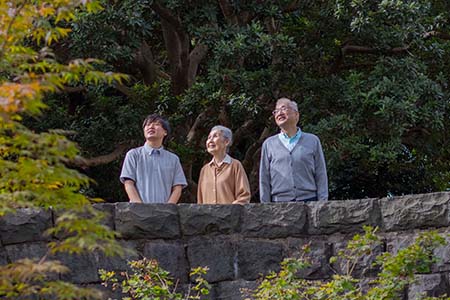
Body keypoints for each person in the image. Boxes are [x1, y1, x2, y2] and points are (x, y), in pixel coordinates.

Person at [259, 98, 328, 202]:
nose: (279, 113)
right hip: (279, 203)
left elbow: (321, 173)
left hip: (309, 200)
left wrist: (323, 202)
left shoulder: (312, 140)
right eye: (276, 111)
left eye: (284, 108)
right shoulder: (269, 144)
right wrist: (265, 205)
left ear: (296, 115)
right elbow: (264, 178)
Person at [120, 114, 187, 203]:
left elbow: (177, 187)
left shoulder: (173, 159)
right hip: (137, 212)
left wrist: (168, 208)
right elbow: (128, 183)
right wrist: (139, 207)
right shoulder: (133, 155)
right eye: (147, 124)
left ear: (165, 132)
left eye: (156, 124)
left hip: (165, 213)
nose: (151, 127)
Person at [197, 125, 251, 205]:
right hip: (207, 216)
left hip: (229, 216)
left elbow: (243, 197)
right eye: (209, 138)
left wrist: (229, 212)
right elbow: (200, 201)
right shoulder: (204, 170)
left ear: (226, 142)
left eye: (215, 136)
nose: (210, 140)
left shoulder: (235, 166)